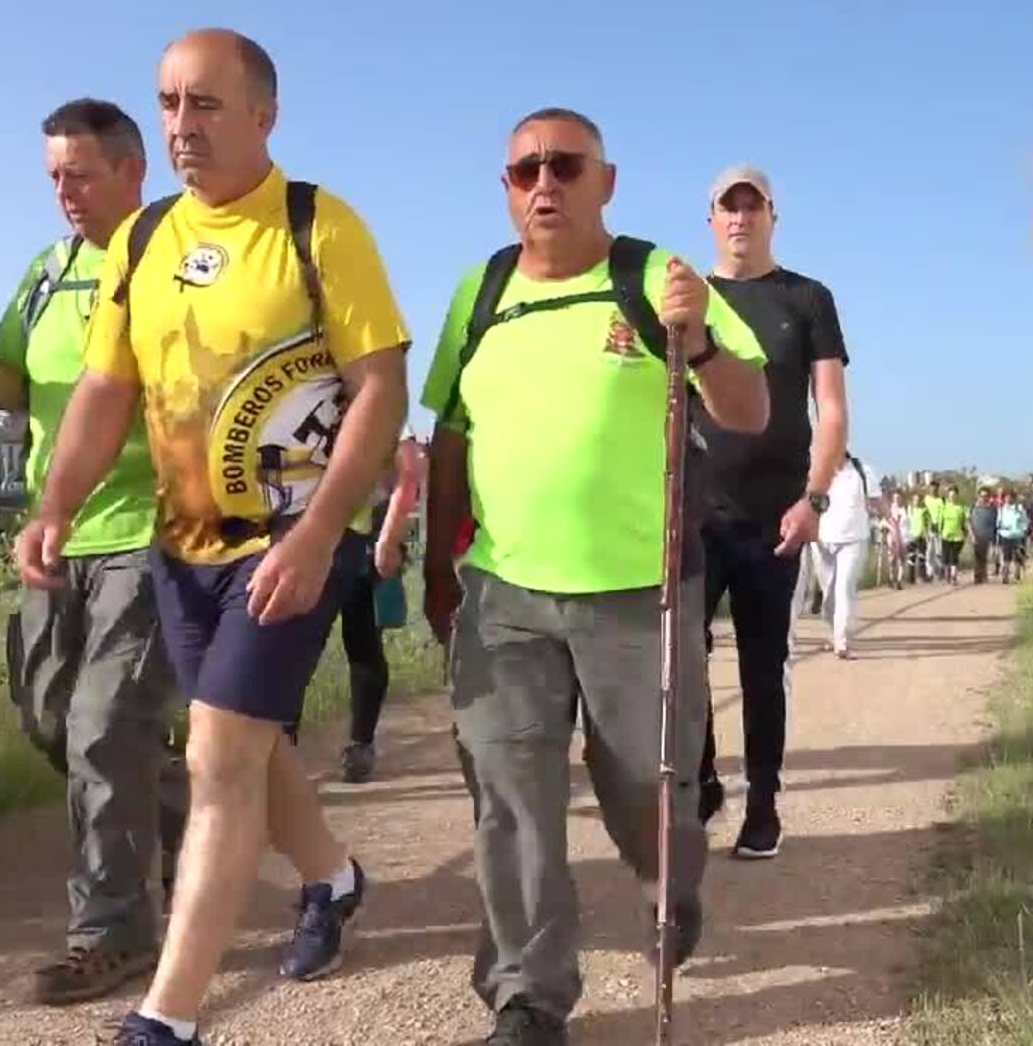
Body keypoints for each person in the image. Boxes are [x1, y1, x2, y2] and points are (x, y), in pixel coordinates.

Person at [13, 30, 411, 1046]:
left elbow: (380, 390)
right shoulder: (141, 242)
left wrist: (322, 535)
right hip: (181, 545)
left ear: (264, 116)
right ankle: (334, 875)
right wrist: (55, 507)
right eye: (169, 104)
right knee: (243, 741)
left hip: (289, 545)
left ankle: (169, 1018)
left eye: (206, 105)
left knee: (221, 758)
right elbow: (106, 390)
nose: (183, 126)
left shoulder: (319, 226)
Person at [420, 107, 768, 1045]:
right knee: (511, 796)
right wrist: (434, 561)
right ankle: (529, 994)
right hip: (503, 593)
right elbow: (449, 434)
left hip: (639, 595)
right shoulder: (481, 290)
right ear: (505, 188)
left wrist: (695, 343)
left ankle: (670, 883)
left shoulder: (657, 277)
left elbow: (747, 407)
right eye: (525, 169)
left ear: (605, 181)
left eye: (565, 166)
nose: (544, 183)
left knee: (645, 798)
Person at [0, 97, 190, 1006]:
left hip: (149, 529)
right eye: (53, 176)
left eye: (80, 173)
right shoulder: (45, 272)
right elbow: (18, 382)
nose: (64, 192)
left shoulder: (173, 263)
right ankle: (179, 811)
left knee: (103, 724)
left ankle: (111, 932)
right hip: (56, 528)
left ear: (132, 171)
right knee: (49, 713)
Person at [690, 162, 851, 856]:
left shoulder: (808, 299)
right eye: (729, 208)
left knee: (763, 664)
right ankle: (699, 779)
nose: (740, 219)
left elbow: (833, 411)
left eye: (752, 208)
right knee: (679, 662)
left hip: (776, 519)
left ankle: (763, 805)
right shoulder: (687, 298)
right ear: (712, 220)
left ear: (771, 217)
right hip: (696, 514)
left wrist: (813, 500)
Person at [336, 428, 423, 783]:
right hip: (299, 530)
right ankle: (281, 740)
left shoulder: (376, 384)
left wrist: (388, 536)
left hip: (363, 534)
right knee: (293, 647)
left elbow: (408, 469)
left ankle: (361, 744)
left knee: (361, 639)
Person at [809, 453, 871, 658]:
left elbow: (879, 501)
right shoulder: (815, 469)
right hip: (822, 539)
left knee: (844, 588)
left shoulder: (861, 471)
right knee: (828, 595)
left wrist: (894, 527)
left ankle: (842, 641)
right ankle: (833, 633)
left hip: (853, 538)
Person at [997, 486, 1031, 583]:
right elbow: (998, 521)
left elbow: (1025, 521)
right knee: (1006, 557)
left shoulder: (1019, 508)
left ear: (1013, 498)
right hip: (1005, 535)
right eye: (1006, 497)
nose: (1008, 499)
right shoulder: (1002, 509)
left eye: (1010, 497)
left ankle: (1017, 573)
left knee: (1018, 557)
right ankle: (1005, 575)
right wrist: (1000, 528)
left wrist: (1024, 531)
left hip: (1018, 535)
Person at [969, 486, 998, 584]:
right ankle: (977, 576)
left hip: (988, 537)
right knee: (977, 557)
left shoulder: (992, 509)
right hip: (976, 535)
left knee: (985, 557)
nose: (983, 498)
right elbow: (968, 521)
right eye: (982, 496)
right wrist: (971, 534)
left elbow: (995, 523)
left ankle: (983, 575)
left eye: (986, 496)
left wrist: (994, 538)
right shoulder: (973, 507)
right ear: (978, 496)